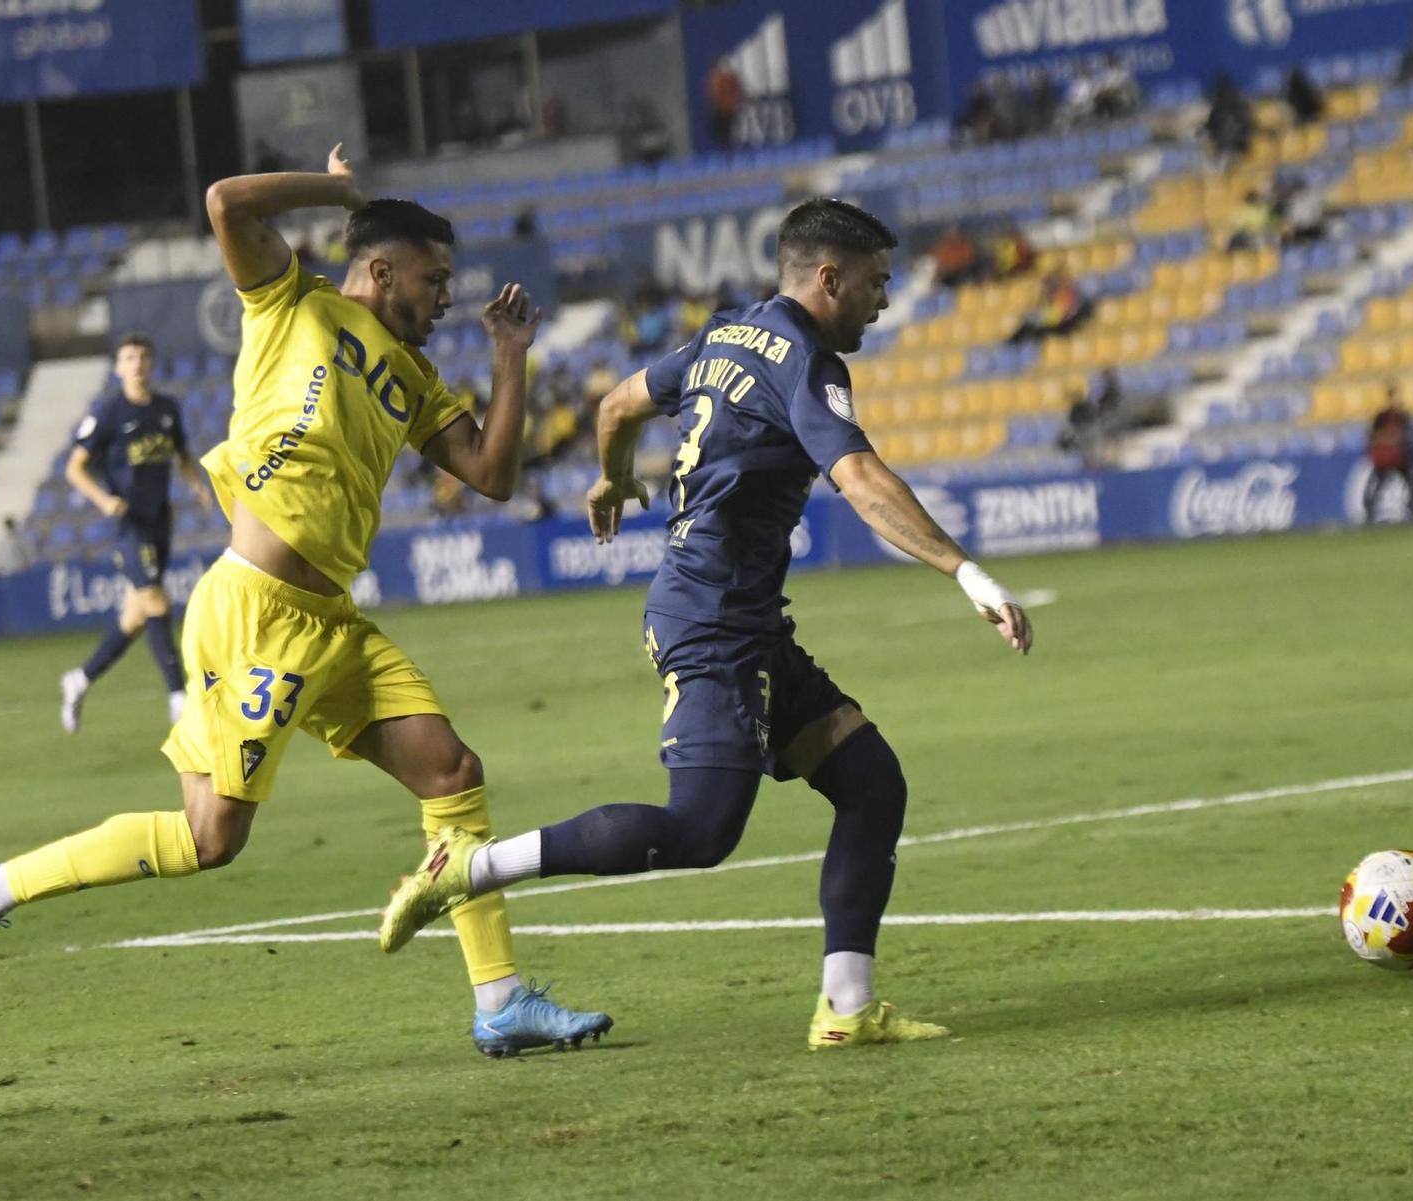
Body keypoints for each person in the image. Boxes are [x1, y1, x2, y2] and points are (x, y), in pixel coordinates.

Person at [0, 146, 612, 1059]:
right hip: (255, 611)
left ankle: (501, 1002)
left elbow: (491, 471)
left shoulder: (412, 378)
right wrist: (334, 191)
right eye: (433, 277)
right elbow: (223, 202)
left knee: (451, 771)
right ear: (380, 269)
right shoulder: (291, 300)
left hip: (332, 624)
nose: (445, 294)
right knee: (212, 838)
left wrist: (510, 358)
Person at [378, 198, 1036, 1049]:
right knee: (701, 827)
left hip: (740, 617)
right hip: (714, 621)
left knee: (872, 782)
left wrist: (611, 480)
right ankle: (470, 865)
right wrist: (964, 569)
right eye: (874, 284)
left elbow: (615, 406)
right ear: (827, 278)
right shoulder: (805, 361)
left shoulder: (726, 334)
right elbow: (862, 479)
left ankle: (845, 1006)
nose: (882, 301)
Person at [57, 334, 211, 732]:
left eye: (144, 356)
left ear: (152, 363)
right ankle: (179, 695)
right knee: (157, 601)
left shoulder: (166, 408)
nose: (137, 363)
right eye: (129, 358)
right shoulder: (109, 411)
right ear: (118, 368)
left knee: (136, 615)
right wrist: (103, 499)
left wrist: (196, 483)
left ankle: (81, 678)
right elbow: (74, 468)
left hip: (160, 520)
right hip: (129, 524)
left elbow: (181, 453)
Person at [1364, 382, 1413, 524]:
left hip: (1400, 457)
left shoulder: (1403, 416)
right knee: (1375, 488)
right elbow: (1371, 435)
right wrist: (1388, 438)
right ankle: (1369, 516)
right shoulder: (1381, 417)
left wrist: (1397, 440)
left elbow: (1412, 434)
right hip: (1386, 458)